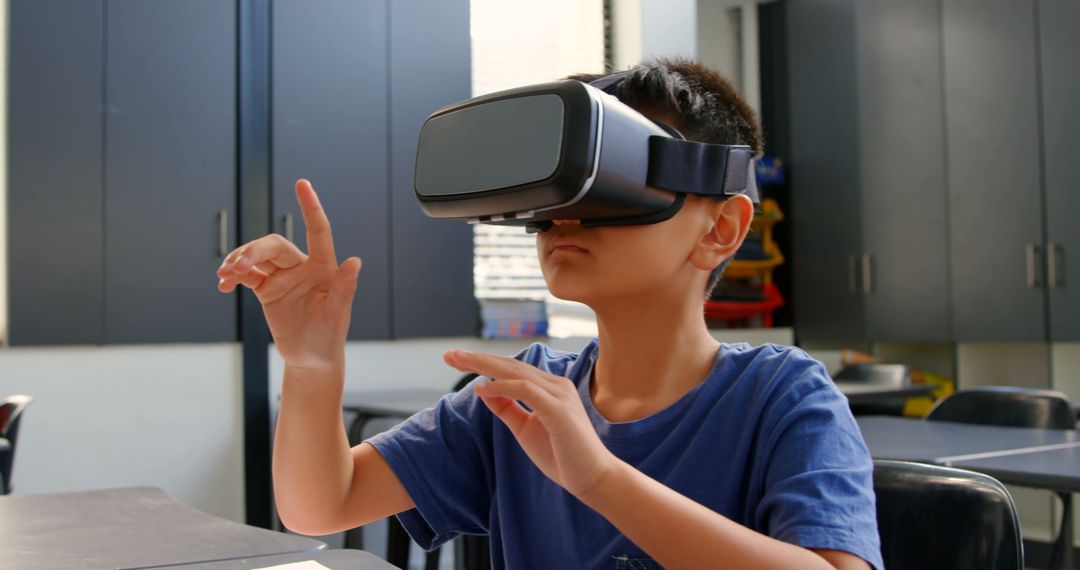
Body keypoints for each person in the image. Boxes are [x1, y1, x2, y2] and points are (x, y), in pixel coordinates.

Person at [216, 58, 882, 570]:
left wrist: (598, 478)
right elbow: (319, 504)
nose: (565, 214)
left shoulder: (782, 397)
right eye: (559, 184)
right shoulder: (522, 399)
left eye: (612, 177)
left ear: (720, 229)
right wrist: (310, 365)